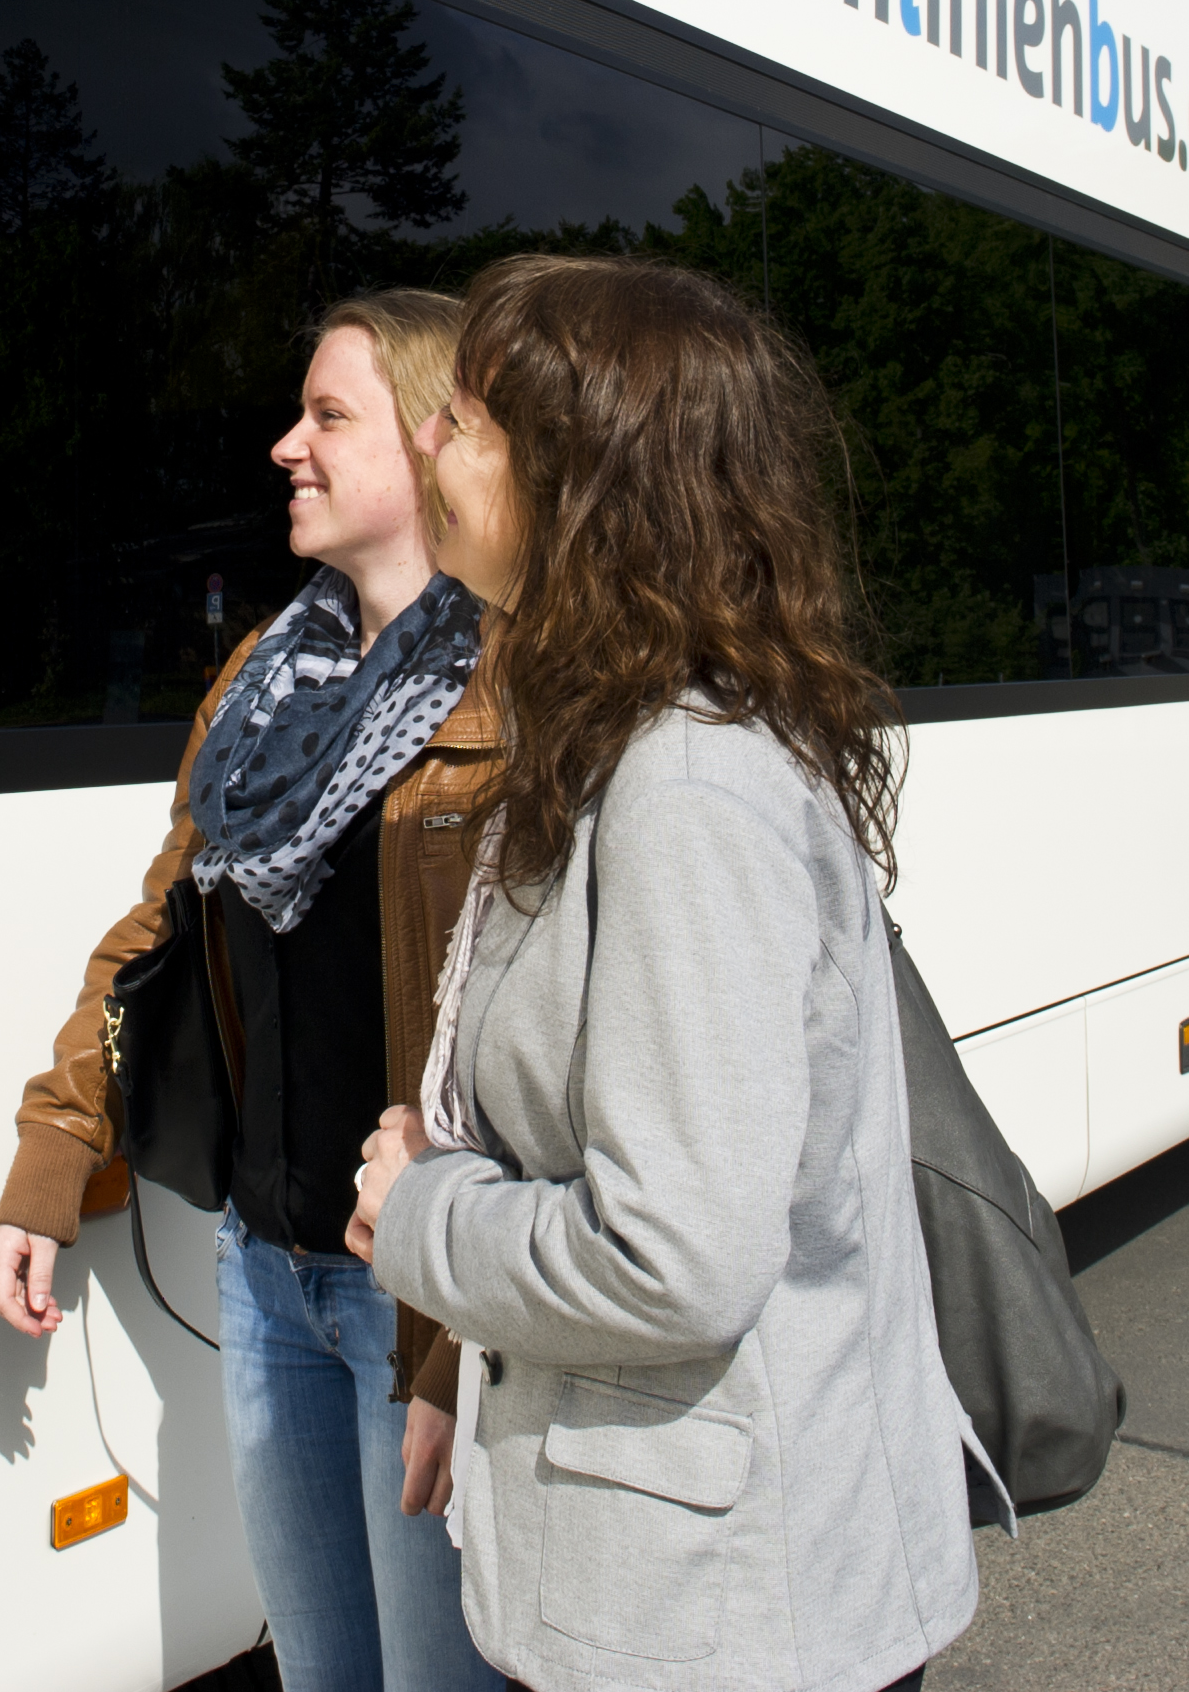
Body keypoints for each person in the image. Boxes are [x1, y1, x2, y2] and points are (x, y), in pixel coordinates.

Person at [352, 255, 981, 1692]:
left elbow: (672, 1261)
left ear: (588, 487)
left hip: (726, 1631)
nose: (429, 442)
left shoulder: (687, 790)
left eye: (469, 425)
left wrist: (421, 1215)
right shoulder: (614, 748)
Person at [0, 292, 504, 1692]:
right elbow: (161, 921)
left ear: (437, 439)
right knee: (322, 1673)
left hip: (419, 1299)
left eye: (329, 415)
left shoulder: (514, 696)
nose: (287, 445)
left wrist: (462, 1346)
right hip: (270, 1279)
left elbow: (552, 1068)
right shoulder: (264, 676)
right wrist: (55, 1155)